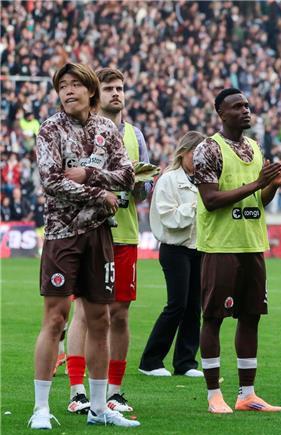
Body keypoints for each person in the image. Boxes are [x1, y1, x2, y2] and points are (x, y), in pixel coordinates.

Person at [30, 62, 139, 429]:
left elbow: (126, 174)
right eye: (63, 85)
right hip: (62, 234)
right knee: (55, 318)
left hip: (100, 236)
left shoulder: (108, 130)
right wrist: (100, 193)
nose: (68, 91)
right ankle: (41, 408)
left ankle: (97, 407)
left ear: (91, 90)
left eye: (76, 84)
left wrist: (89, 174)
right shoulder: (50, 129)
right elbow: (52, 182)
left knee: (100, 319)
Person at [194, 88, 281, 414]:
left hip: (252, 244)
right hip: (221, 246)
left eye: (246, 105)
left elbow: (259, 201)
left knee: (251, 317)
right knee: (214, 318)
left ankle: (247, 393)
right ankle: (214, 394)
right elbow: (211, 201)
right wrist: (257, 184)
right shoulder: (208, 150)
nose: (245, 110)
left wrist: (272, 186)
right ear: (220, 113)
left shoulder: (254, 147)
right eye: (237, 106)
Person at [65, 67, 152, 415]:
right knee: (84, 312)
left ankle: (115, 392)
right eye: (109, 88)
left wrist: (141, 179)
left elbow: (142, 194)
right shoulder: (81, 132)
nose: (117, 93)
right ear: (95, 93)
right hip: (87, 231)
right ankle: (77, 391)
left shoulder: (136, 135)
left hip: (125, 233)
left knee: (120, 314)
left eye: (120, 88)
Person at [139, 131, 206, 377]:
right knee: (176, 305)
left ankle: (186, 362)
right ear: (184, 153)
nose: (200, 160)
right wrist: (197, 206)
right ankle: (151, 361)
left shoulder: (203, 180)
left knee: (193, 307)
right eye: (196, 154)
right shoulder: (168, 180)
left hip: (198, 247)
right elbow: (170, 218)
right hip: (175, 249)